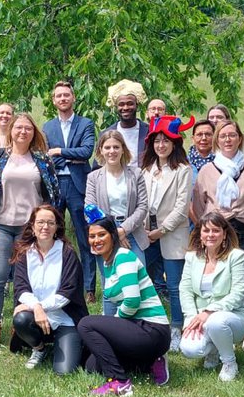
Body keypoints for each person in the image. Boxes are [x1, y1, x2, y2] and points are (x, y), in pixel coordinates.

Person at [0, 112, 61, 352]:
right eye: (19, 128)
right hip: (0, 225)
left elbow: (54, 196)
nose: (23, 132)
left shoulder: (42, 160)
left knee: (25, 282)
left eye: (28, 128)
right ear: (11, 130)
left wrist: (48, 226)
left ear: (34, 133)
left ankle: (19, 328)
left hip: (30, 229)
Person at [192, 119, 244, 356]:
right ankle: (215, 331)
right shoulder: (207, 170)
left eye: (232, 135)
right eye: (223, 136)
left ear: (240, 139)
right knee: (216, 282)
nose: (227, 139)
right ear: (217, 140)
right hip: (217, 232)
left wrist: (243, 215)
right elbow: (198, 203)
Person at [77, 214, 171, 396]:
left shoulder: (123, 256)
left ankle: (119, 383)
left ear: (113, 235)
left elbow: (132, 301)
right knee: (92, 366)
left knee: (86, 324)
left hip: (152, 330)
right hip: (136, 330)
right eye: (92, 236)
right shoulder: (107, 262)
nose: (96, 240)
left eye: (101, 235)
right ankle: (149, 362)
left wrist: (113, 325)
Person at [9, 204, 88, 375]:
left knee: (64, 372)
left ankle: (66, 341)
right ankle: (39, 348)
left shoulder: (67, 253)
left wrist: (39, 307)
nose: (45, 227)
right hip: (35, 318)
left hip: (65, 318)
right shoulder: (24, 253)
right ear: (32, 226)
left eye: (51, 223)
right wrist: (36, 308)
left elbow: (67, 293)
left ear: (57, 227)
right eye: (41, 222)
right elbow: (21, 288)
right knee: (21, 319)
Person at [178, 212, 244, 382]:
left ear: (224, 234)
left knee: (216, 321)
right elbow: (186, 290)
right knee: (189, 349)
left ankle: (229, 363)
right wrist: (191, 319)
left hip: (234, 317)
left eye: (216, 230)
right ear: (200, 234)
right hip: (200, 317)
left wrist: (209, 311)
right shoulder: (191, 257)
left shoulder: (237, 256)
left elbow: (238, 293)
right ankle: (214, 350)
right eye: (206, 231)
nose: (211, 235)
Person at [140, 116, 194, 351]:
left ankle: (177, 326)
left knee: (174, 285)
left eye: (165, 141)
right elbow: (140, 200)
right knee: (145, 279)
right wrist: (144, 228)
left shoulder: (183, 170)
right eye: (157, 141)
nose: (161, 145)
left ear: (174, 144)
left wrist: (161, 231)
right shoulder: (146, 169)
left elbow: (182, 207)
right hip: (145, 233)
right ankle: (151, 322)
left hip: (171, 234)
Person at [42, 79, 97, 301]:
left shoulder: (85, 123)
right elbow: (45, 157)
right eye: (59, 96)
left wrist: (59, 152)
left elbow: (86, 151)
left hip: (78, 186)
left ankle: (89, 288)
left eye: (66, 95)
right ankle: (56, 283)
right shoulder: (47, 127)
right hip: (55, 186)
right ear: (54, 100)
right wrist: (62, 156)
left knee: (85, 237)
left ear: (73, 98)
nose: (63, 98)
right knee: (52, 235)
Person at [85, 130, 148, 309]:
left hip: (132, 233)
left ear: (123, 150)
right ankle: (111, 328)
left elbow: (143, 206)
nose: (111, 151)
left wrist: (122, 231)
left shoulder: (136, 174)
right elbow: (89, 209)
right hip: (104, 235)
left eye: (116, 147)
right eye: (107, 147)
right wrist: (113, 233)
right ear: (101, 151)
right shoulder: (93, 177)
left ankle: (139, 329)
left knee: (137, 282)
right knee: (111, 286)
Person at [102, 79, 150, 167]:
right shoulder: (106, 134)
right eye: (121, 104)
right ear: (116, 107)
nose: (125, 107)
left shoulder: (149, 131)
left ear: (137, 105)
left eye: (130, 103)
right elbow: (99, 165)